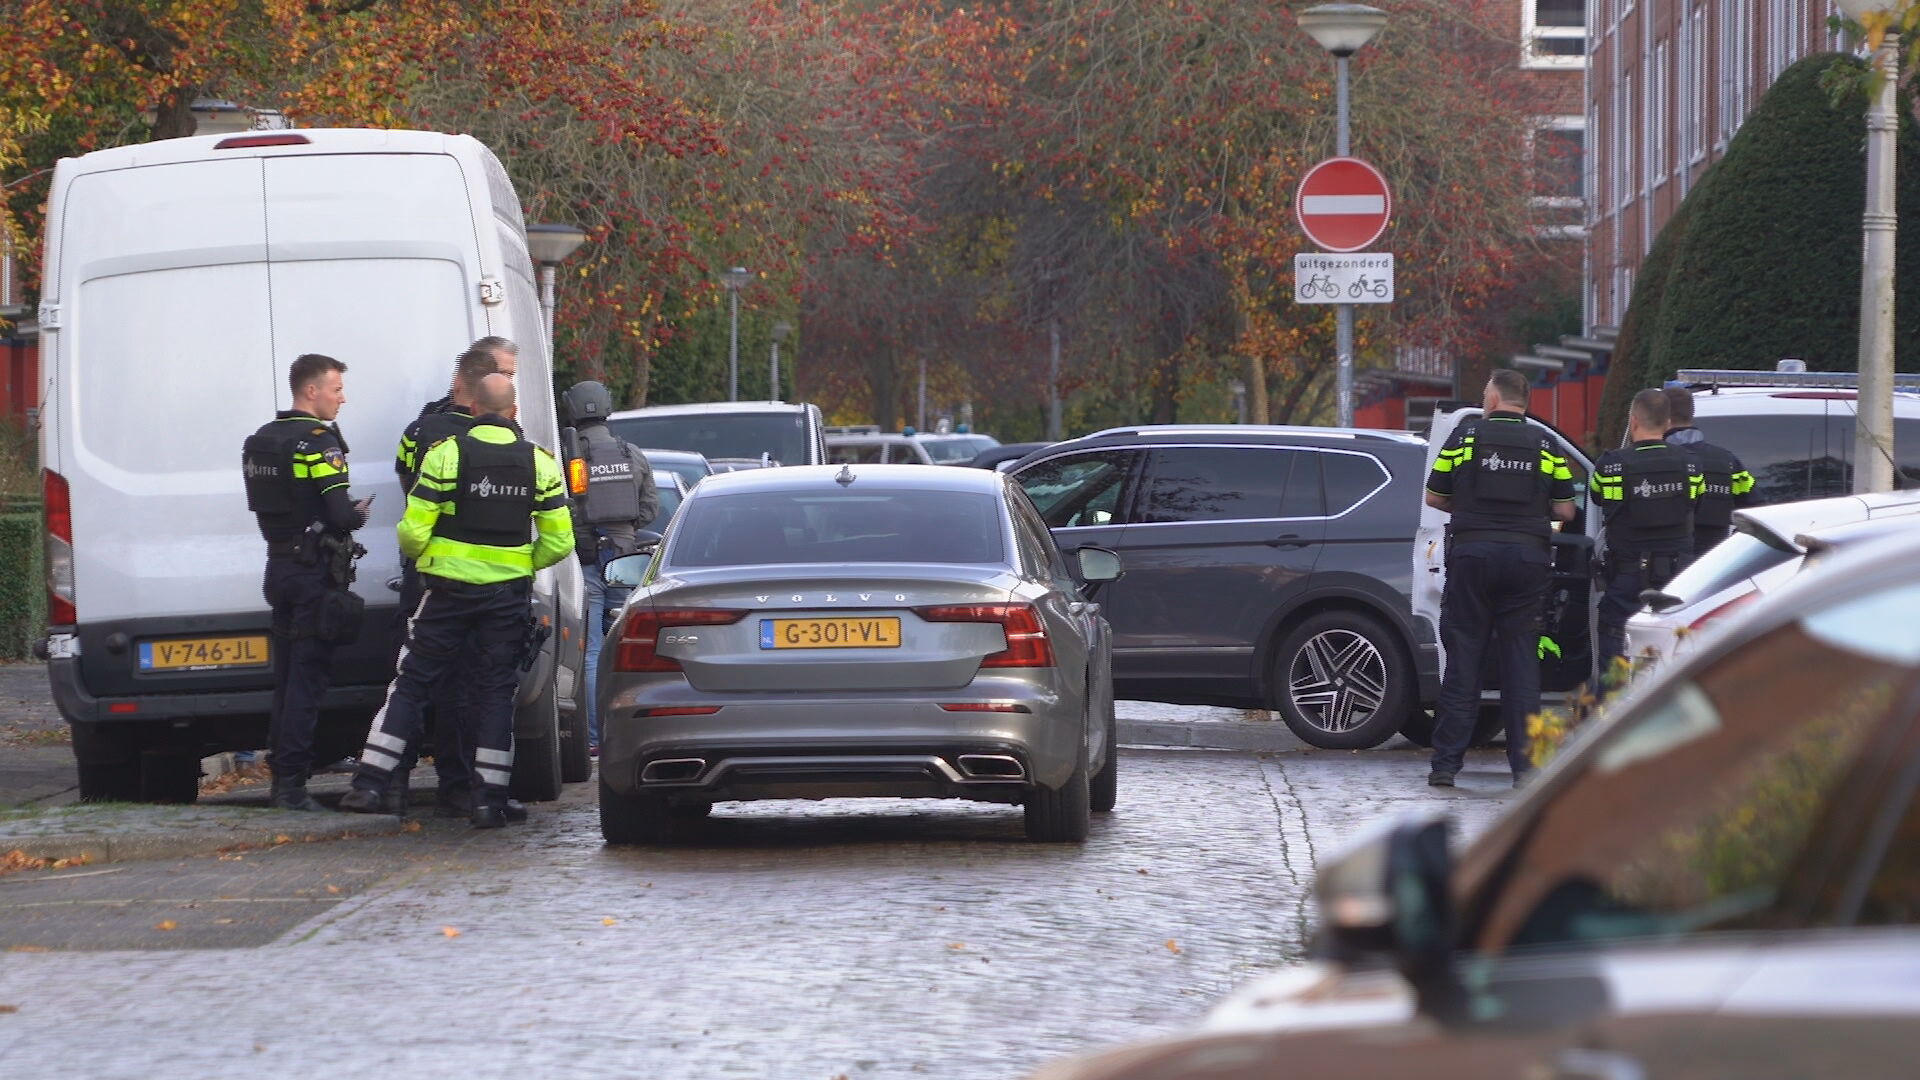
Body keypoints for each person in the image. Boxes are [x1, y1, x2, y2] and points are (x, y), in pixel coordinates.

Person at [339, 374, 572, 826]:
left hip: (446, 594)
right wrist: (520, 562)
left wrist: (430, 557)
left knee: (412, 682)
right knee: (495, 693)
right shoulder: (539, 463)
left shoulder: (446, 454)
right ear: (514, 412)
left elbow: (411, 530)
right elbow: (560, 541)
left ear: (472, 410)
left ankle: (370, 782)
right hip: (506, 599)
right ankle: (488, 801)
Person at [1422, 370, 1577, 788]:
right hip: (1527, 560)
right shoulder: (1545, 445)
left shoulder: (1466, 438)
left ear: (1493, 399)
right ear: (1524, 402)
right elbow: (1566, 511)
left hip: (1472, 556)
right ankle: (1525, 769)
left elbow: (1434, 496)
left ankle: (1446, 766)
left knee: (1464, 660)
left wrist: (1472, 509)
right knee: (1522, 663)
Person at [381, 343, 513, 816]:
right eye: (505, 375)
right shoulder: (495, 441)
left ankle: (391, 783)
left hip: (426, 575)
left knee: (411, 682)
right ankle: (460, 787)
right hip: (478, 582)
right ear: (478, 384)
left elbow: (406, 485)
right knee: (467, 688)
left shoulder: (418, 431)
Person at [242, 354, 368, 811]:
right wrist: (356, 514)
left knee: (287, 676)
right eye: (336, 389)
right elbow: (337, 513)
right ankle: (291, 785)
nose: (342, 397)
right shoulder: (318, 444)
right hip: (314, 572)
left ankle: (283, 772)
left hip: (278, 567)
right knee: (307, 681)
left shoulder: (262, 441)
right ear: (310, 391)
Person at [560, 380, 659, 756]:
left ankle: (595, 739)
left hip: (586, 561)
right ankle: (628, 734)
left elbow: (565, 506)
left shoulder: (570, 456)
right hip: (626, 560)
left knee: (591, 650)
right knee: (626, 649)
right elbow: (649, 509)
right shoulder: (630, 453)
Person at [1593, 389, 1703, 672]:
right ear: (1668, 423)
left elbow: (1598, 497)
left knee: (1616, 641)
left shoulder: (1611, 466)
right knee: (1673, 648)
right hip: (1677, 579)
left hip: (1628, 575)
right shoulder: (1692, 465)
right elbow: (1696, 501)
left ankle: (1614, 711)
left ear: (1633, 421)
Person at [1661, 385, 1754, 560]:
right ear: (1691, 415)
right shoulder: (1727, 461)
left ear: (1664, 418)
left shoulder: (1653, 461)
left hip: (1664, 568)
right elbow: (1757, 509)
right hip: (1714, 566)